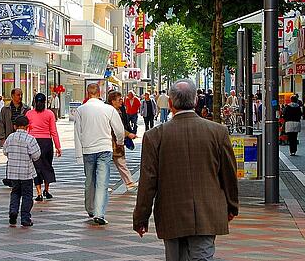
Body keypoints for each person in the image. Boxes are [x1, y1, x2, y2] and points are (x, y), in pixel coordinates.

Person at [133, 79, 238, 260]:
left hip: (171, 211)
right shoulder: (218, 132)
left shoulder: (154, 136)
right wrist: (231, 206)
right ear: (196, 101)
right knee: (203, 256)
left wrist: (141, 218)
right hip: (208, 210)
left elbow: (148, 181)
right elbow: (229, 174)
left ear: (171, 103)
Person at [70, 83, 125, 225]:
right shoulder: (108, 109)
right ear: (99, 92)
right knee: (102, 182)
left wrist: (78, 155)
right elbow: (119, 129)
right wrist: (119, 142)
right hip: (104, 149)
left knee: (89, 180)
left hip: (88, 149)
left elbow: (77, 133)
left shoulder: (80, 110)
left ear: (87, 93)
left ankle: (90, 208)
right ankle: (99, 213)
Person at [2, 115, 42, 227]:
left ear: (15, 126)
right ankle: (25, 218)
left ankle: (13, 211)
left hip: (13, 172)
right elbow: (36, 155)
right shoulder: (30, 139)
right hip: (27, 173)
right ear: (27, 126)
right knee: (27, 195)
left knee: (15, 192)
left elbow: (5, 151)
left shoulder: (10, 137)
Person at [27, 93, 61, 202]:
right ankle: (47, 190)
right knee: (47, 166)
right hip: (47, 143)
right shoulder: (50, 114)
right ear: (45, 102)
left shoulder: (29, 114)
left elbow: (27, 131)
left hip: (33, 142)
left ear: (35, 102)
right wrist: (58, 147)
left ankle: (39, 192)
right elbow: (53, 131)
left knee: (36, 168)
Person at [107, 91, 138, 191]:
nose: (122, 101)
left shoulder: (119, 110)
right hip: (111, 141)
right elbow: (118, 129)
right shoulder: (111, 111)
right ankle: (129, 183)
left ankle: (129, 183)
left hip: (114, 141)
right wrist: (128, 134)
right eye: (119, 99)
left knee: (120, 162)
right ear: (113, 101)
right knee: (114, 163)